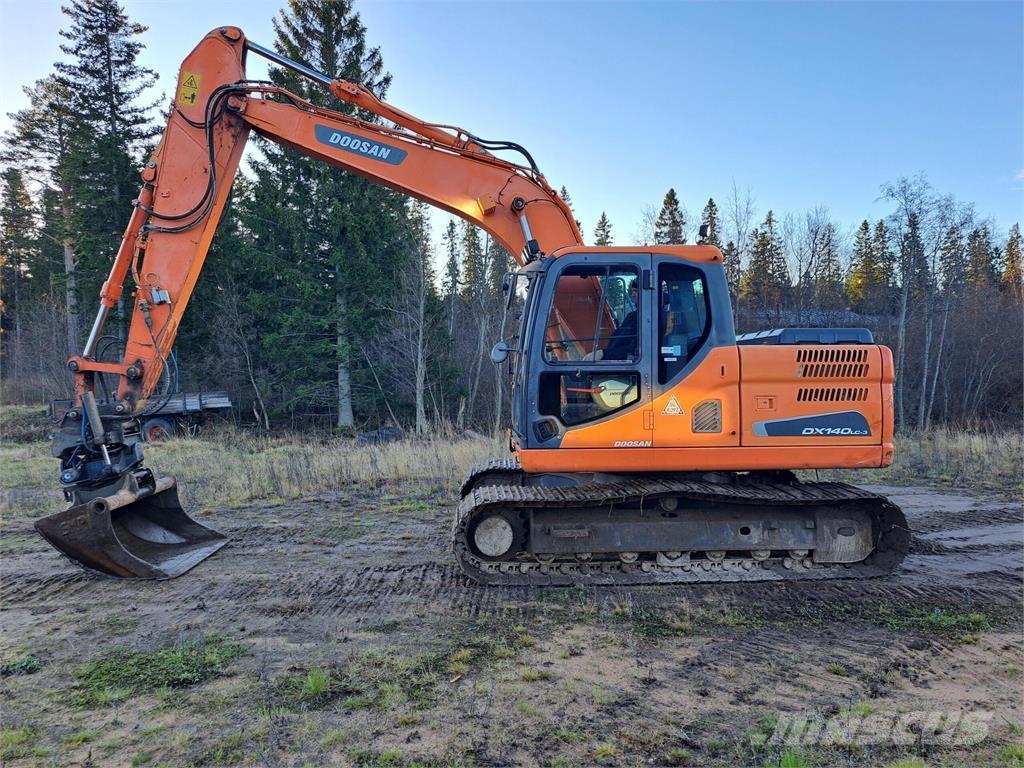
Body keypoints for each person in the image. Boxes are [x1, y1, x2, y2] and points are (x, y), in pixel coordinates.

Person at [601, 280, 639, 360]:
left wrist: (604, 353)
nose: (632, 295)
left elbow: (635, 350)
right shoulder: (633, 316)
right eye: (633, 291)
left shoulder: (644, 319)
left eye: (636, 291)